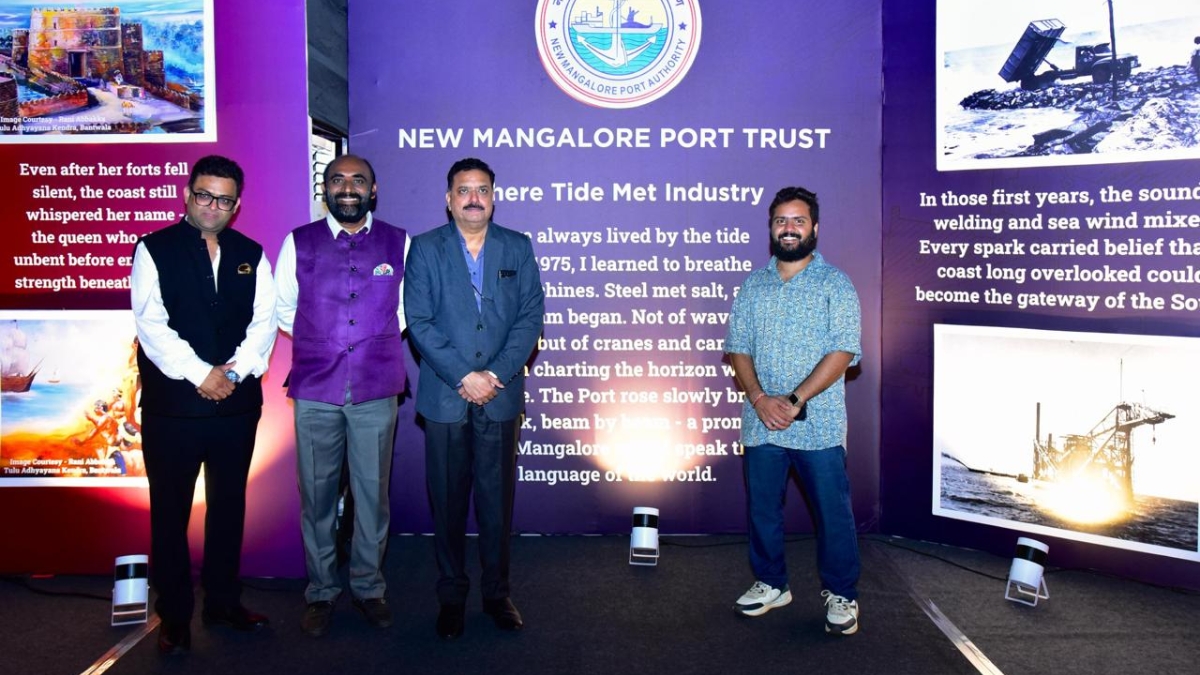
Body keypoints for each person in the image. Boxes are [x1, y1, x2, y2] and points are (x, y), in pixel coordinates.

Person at [130, 155, 277, 655]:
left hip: (236, 405)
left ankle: (223, 602)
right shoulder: (153, 249)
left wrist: (231, 374)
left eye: (223, 200)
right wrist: (201, 374)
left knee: (229, 506)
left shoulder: (251, 253)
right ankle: (174, 615)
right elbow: (151, 326)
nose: (212, 206)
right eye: (204, 195)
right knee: (169, 513)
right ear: (187, 194)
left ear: (237, 206)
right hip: (174, 408)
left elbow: (264, 324)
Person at [404, 157, 544, 639]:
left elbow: (530, 318)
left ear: (493, 197)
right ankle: (451, 597)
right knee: (446, 504)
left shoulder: (517, 247)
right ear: (448, 200)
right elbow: (419, 321)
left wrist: (494, 374)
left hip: (500, 396)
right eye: (463, 190)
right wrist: (464, 375)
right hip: (446, 396)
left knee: (495, 503)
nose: (473, 198)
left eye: (482, 189)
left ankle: (497, 593)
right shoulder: (425, 248)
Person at [275, 154, 409, 638]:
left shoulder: (400, 241)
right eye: (337, 180)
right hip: (315, 387)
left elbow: (405, 310)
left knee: (372, 494)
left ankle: (369, 588)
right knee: (316, 494)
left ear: (373, 190)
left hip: (376, 386)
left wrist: (366, 344)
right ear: (325, 189)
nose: (347, 188)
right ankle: (321, 591)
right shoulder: (298, 242)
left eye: (358, 180)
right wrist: (326, 343)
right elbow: (284, 308)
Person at [724, 186, 862, 635]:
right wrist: (760, 399)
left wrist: (793, 400)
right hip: (761, 422)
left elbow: (843, 352)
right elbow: (738, 348)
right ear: (771, 228)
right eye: (781, 220)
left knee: (832, 515)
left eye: (798, 221)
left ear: (814, 228)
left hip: (818, 425)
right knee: (763, 510)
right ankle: (771, 583)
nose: (789, 228)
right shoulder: (753, 284)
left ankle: (842, 594)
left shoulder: (835, 284)